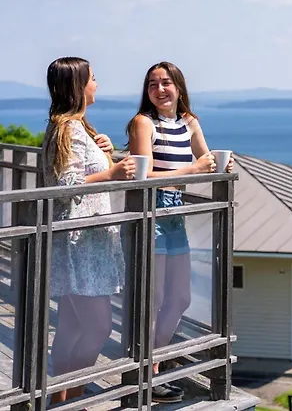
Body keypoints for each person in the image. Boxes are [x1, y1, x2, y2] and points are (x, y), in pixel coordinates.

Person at [126, 61, 233, 403]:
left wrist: (222, 166)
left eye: (166, 83)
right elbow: (141, 176)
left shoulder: (189, 122)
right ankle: (147, 376)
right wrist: (192, 169)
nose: (159, 89)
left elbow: (207, 162)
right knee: (154, 300)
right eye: (152, 84)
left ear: (179, 87)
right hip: (151, 212)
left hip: (175, 214)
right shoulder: (144, 123)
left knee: (180, 298)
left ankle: (152, 368)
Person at [42, 57, 136, 404]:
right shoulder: (68, 128)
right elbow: (66, 185)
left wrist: (105, 153)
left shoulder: (71, 127)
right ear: (78, 86)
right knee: (98, 327)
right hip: (81, 243)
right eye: (93, 78)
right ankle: (73, 400)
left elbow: (79, 171)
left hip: (80, 240)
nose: (97, 83)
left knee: (71, 326)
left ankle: (58, 400)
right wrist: (111, 173)